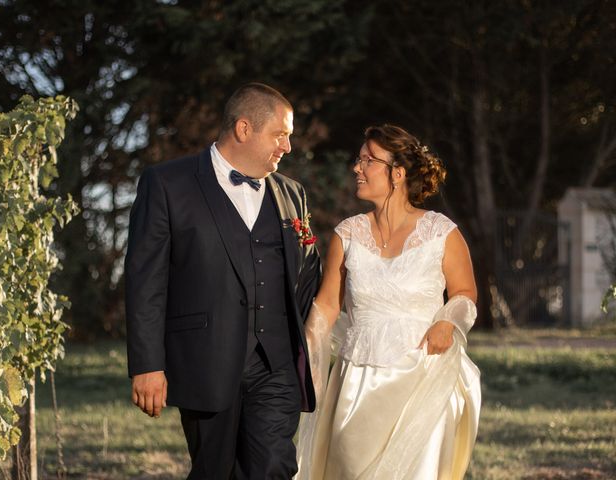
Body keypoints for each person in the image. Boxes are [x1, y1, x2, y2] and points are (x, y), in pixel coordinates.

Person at [125, 83, 321, 479]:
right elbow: (146, 281)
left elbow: (308, 276)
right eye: (280, 135)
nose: (287, 147)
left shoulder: (292, 194)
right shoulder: (167, 184)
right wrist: (147, 365)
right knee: (215, 470)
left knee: (273, 467)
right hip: (204, 360)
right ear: (244, 129)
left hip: (276, 366)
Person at [296, 124, 481, 479]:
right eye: (358, 159)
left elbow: (465, 294)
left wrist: (448, 321)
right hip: (356, 384)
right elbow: (327, 306)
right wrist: (305, 353)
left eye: (368, 160)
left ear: (397, 173)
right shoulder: (346, 234)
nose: (357, 168)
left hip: (421, 378)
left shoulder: (442, 232)